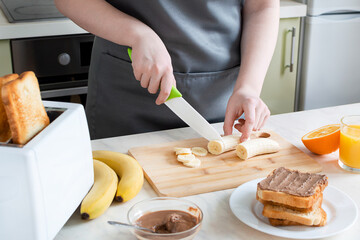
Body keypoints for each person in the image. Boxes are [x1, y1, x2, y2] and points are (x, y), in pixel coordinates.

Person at [55, 0, 279, 141]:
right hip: (125, 100)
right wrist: (137, 34)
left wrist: (248, 87)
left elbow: (262, 6)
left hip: (222, 101)